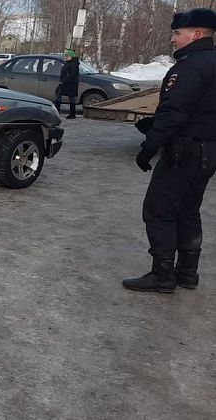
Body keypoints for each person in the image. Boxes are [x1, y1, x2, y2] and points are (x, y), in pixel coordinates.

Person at [123, 8, 216, 293]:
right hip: (209, 151)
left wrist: (148, 147)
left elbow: (175, 111)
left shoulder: (189, 66)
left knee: (159, 210)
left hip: (184, 151)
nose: (173, 40)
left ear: (196, 34)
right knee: (188, 209)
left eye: (177, 33)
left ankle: (162, 275)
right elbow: (202, 109)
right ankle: (187, 272)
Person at [54, 49, 80, 119]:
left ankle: (72, 114)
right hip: (65, 83)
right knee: (58, 95)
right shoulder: (69, 63)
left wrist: (63, 81)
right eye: (65, 56)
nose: (65, 57)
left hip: (70, 84)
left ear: (71, 56)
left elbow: (72, 75)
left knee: (70, 98)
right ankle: (57, 112)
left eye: (67, 56)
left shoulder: (74, 64)